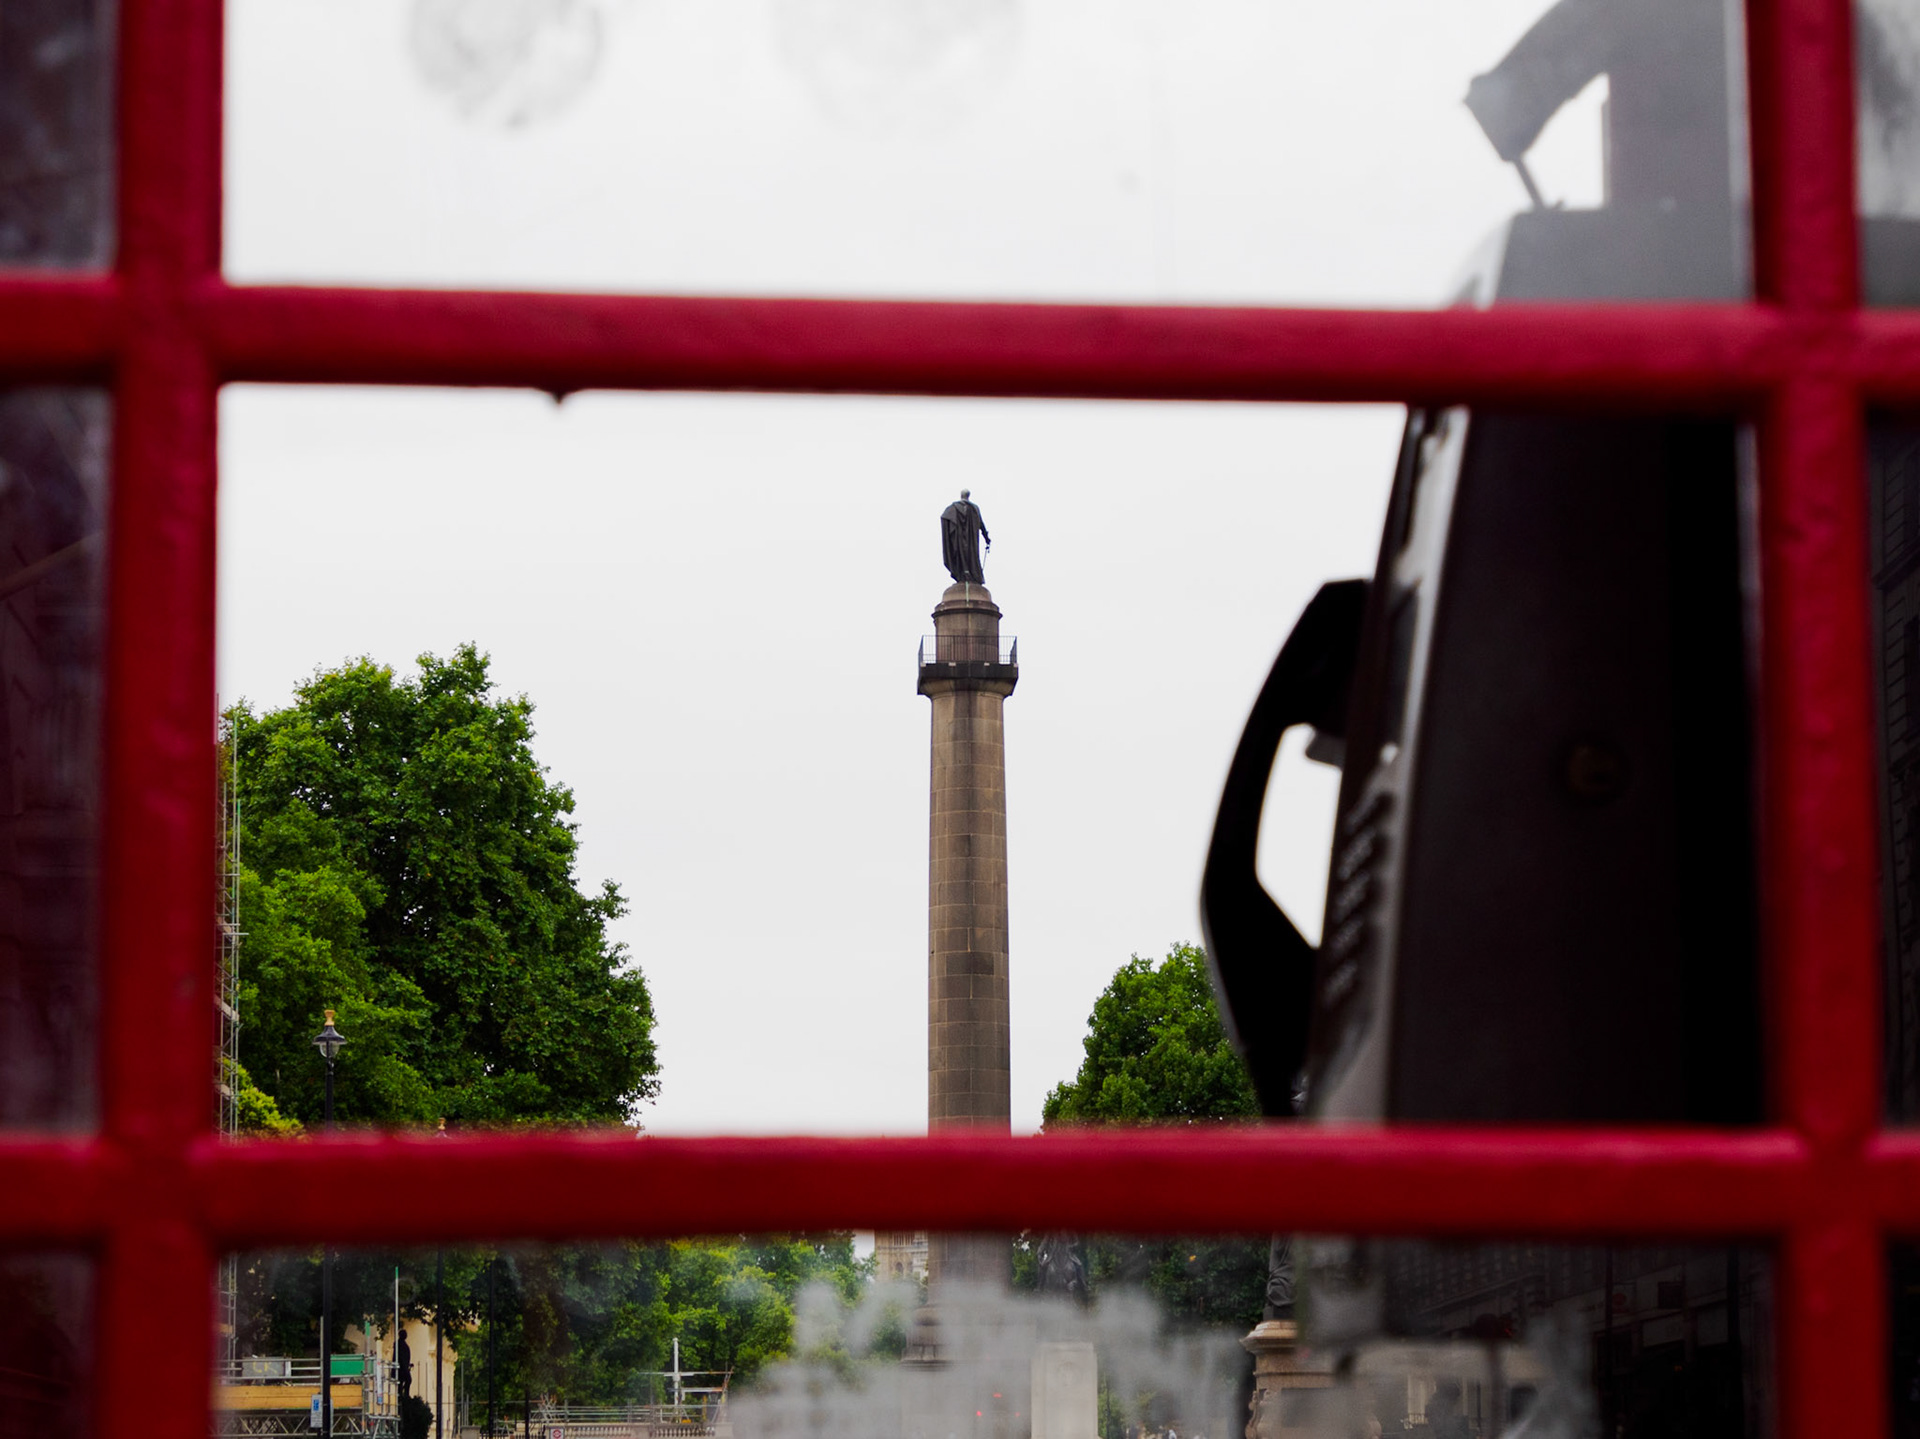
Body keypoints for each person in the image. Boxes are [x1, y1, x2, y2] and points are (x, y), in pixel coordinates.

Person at [940, 490, 990, 585]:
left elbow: (945, 518)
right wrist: (986, 537)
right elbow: (981, 524)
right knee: (970, 555)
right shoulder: (974, 508)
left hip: (959, 539)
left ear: (961, 495)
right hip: (970, 541)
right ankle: (966, 574)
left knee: (961, 554)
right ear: (968, 496)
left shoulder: (953, 508)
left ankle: (965, 573)